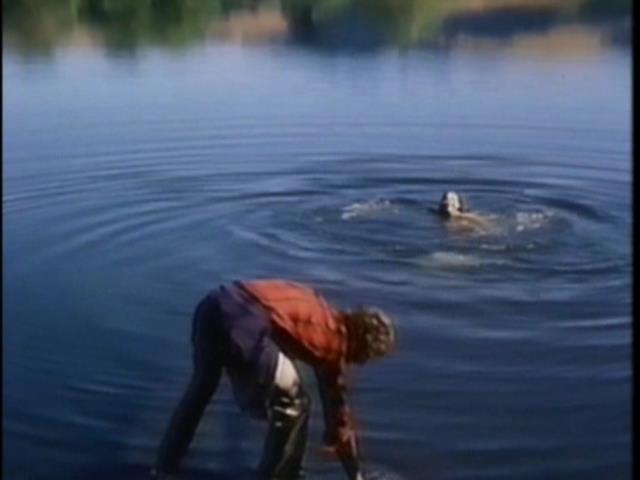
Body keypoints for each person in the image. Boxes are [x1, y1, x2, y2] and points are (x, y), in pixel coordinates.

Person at [151, 279, 396, 480]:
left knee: (200, 392)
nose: (361, 363)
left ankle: (164, 468)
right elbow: (337, 411)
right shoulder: (333, 341)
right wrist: (355, 474)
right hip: (244, 323)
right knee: (294, 405)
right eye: (366, 357)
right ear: (362, 344)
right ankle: (280, 476)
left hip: (213, 306)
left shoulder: (320, 309)